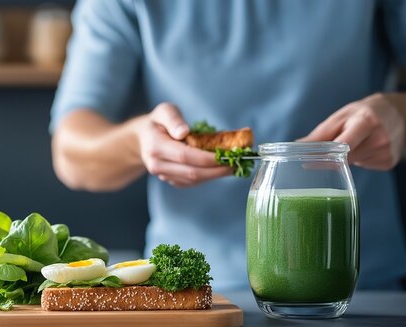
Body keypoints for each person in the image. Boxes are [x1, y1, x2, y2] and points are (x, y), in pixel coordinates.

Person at [49, 0, 406, 291]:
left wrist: (399, 112)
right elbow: (71, 154)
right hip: (190, 287)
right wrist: (138, 142)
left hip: (358, 285)